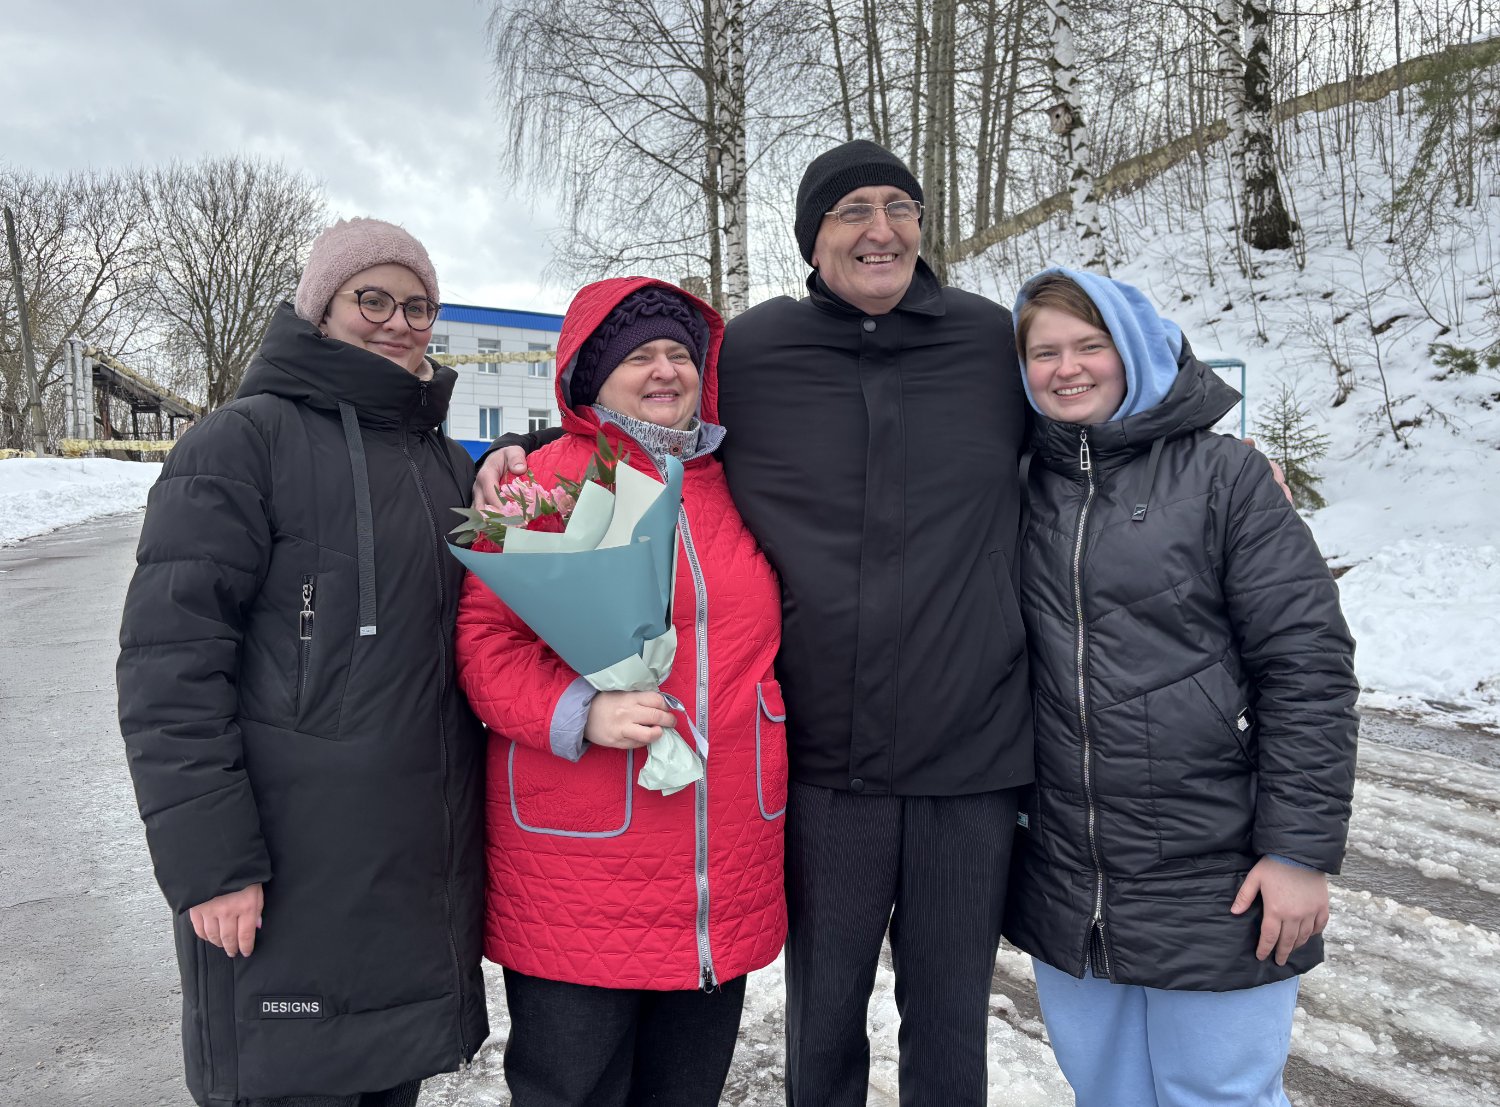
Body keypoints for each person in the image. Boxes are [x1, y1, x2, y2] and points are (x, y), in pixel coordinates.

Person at [478, 141, 1033, 1106]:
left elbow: (1094, 394)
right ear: (811, 239)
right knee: (801, 1028)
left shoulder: (986, 343)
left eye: (899, 206)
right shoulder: (749, 358)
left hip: (930, 762)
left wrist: (1212, 455)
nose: (880, 229)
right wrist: (503, 454)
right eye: (851, 210)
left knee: (938, 1030)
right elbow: (493, 616)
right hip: (751, 786)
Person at [118, 217, 489, 1107]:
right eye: (373, 298)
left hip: (409, 881)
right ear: (320, 306)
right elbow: (170, 672)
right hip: (282, 881)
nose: (398, 322)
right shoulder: (240, 444)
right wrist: (213, 864)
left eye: (418, 306)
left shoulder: (443, 463)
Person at [1003, 268, 1358, 1106]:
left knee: (1221, 1093)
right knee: (1107, 1092)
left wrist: (1298, 852)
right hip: (1068, 878)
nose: (1067, 367)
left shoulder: (1225, 477)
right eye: (1045, 352)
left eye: (1090, 345)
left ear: (1135, 351)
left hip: (1216, 872)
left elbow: (1307, 665)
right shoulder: (1013, 486)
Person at [454, 277, 787, 1106]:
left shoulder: (741, 479)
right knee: (571, 1089)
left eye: (679, 352)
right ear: (591, 373)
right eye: (639, 355)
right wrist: (581, 710)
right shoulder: (534, 485)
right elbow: (482, 646)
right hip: (579, 868)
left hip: (719, 860)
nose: (665, 370)